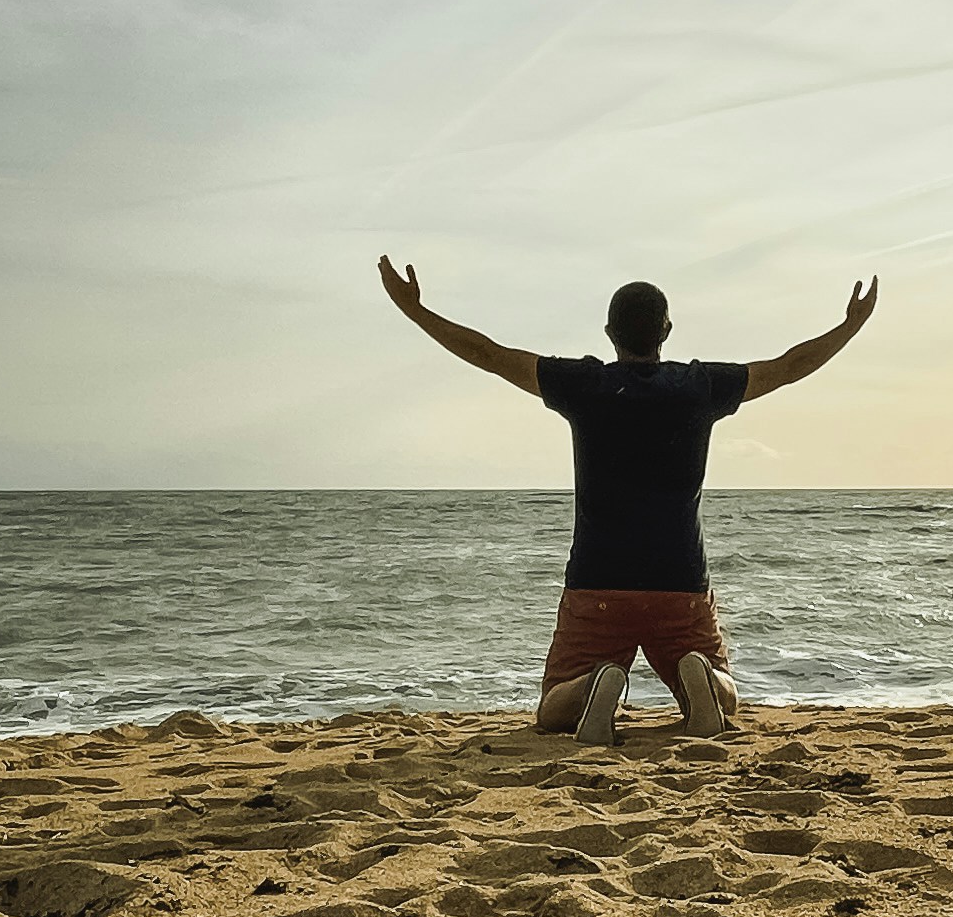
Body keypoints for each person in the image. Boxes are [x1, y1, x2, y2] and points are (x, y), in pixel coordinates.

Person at [376, 257, 878, 742]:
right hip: (679, 582)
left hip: (598, 582)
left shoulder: (584, 385)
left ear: (609, 333)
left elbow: (490, 355)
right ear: (666, 331)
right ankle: (698, 676)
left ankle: (595, 688)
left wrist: (415, 310)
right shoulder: (699, 386)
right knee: (723, 699)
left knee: (553, 708)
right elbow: (787, 367)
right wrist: (849, 326)